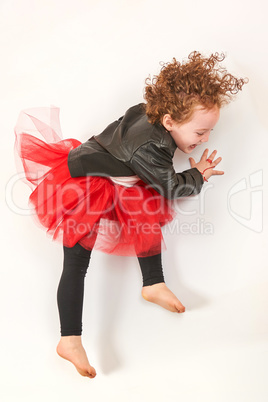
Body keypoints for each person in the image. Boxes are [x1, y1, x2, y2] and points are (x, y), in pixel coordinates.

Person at [14, 51, 247, 378]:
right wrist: (198, 176)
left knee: (144, 204)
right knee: (77, 261)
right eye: (200, 132)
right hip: (81, 184)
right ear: (169, 121)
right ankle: (69, 339)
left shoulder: (148, 113)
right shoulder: (151, 148)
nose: (206, 138)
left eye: (208, 132)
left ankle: (153, 284)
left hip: (112, 172)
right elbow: (171, 187)